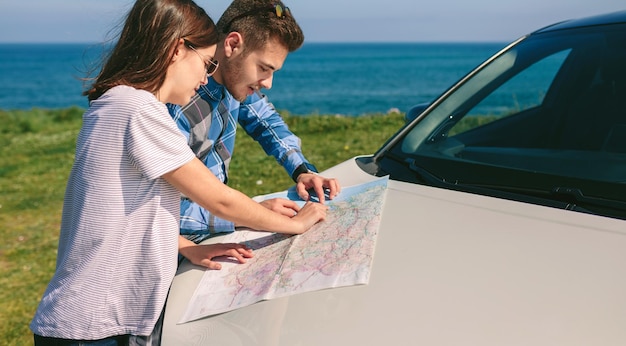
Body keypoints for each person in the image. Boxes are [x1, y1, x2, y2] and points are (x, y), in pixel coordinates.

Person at [30, 0, 327, 344]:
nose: (205, 76)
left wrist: (185, 246)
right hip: (92, 326)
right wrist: (293, 223)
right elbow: (218, 200)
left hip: (104, 318)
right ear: (176, 50)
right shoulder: (141, 111)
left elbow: (137, 210)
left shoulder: (117, 104)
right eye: (205, 62)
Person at [168, 0, 341, 246]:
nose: (268, 83)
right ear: (233, 44)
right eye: (263, 68)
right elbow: (159, 214)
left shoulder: (233, 81)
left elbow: (266, 122)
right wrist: (249, 214)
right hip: (171, 255)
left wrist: (302, 170)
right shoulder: (176, 104)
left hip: (211, 239)